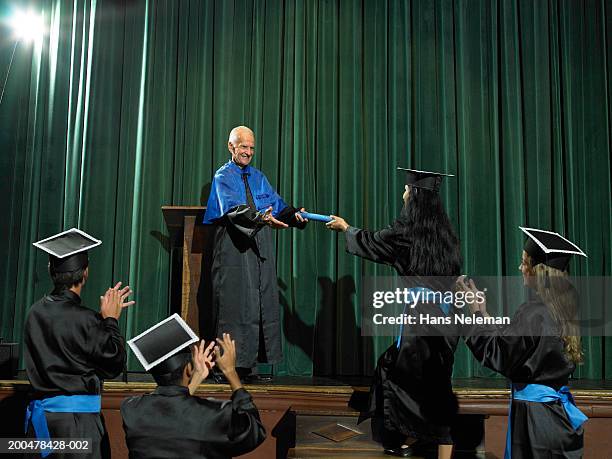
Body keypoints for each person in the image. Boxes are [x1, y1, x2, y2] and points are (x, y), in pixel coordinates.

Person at [326, 168, 462, 459]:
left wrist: (346, 228)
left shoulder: (406, 232)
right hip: (447, 318)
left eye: (406, 190)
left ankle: (420, 438)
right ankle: (416, 438)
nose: (403, 193)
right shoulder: (447, 234)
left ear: (414, 196)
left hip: (420, 318)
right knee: (432, 379)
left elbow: (374, 241)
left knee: (404, 377)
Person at [456, 227, 588, 458]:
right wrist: (484, 312)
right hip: (558, 417)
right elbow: (514, 343)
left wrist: (474, 315)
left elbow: (499, 353)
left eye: (524, 262)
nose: (520, 268)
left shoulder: (532, 313)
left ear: (538, 271)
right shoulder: (564, 309)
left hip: (536, 421)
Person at [202, 125, 308, 380]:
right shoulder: (222, 177)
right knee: (234, 305)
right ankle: (222, 366)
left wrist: (294, 216)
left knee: (257, 304)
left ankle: (248, 366)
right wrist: (263, 218)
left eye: (251, 147)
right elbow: (234, 210)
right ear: (231, 147)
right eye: (243, 147)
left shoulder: (259, 176)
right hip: (233, 247)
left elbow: (277, 206)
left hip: (260, 245)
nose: (248, 152)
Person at [25, 228, 134, 458]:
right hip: (77, 427)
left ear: (49, 270)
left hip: (40, 424)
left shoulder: (34, 313)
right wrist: (110, 321)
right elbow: (114, 364)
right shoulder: (88, 320)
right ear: (85, 273)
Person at [121, 328, 266, 459]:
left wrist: (195, 378)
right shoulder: (213, 415)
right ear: (188, 370)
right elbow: (254, 432)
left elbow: (174, 410)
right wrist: (230, 372)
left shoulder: (131, 410)